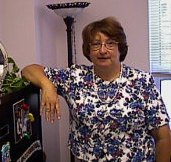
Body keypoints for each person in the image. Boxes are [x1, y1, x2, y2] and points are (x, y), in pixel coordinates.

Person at [21, 17, 171, 162]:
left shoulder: (142, 81)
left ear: (121, 48)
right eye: (96, 44)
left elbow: (163, 136)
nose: (102, 50)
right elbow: (28, 70)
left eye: (110, 43)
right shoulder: (75, 77)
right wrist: (48, 85)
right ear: (88, 50)